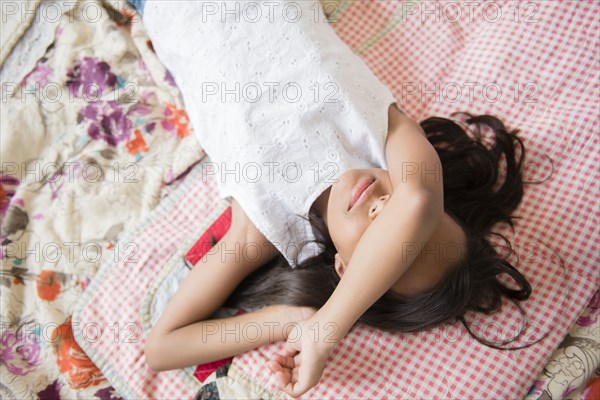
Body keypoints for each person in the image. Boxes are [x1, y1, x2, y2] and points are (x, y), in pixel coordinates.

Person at [130, 0, 532, 397]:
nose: (386, 206)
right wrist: (327, 327)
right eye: (412, 224)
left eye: (385, 240)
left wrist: (291, 320)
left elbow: (162, 347)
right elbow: (417, 202)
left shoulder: (266, 226)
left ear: (345, 269)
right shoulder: (385, 135)